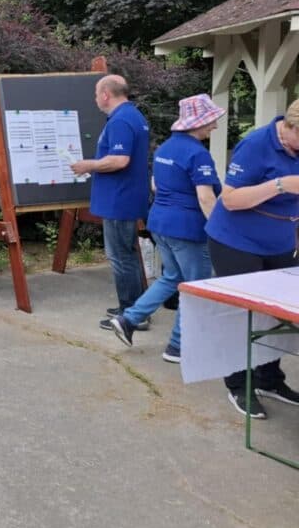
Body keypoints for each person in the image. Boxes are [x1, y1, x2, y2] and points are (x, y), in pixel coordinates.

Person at [107, 94, 225, 362]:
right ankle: (177, 347)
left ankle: (128, 319)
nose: (215, 126)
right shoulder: (198, 154)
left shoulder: (164, 149)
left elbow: (155, 186)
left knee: (172, 276)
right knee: (195, 287)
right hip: (188, 229)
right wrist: (221, 231)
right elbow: (205, 197)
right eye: (211, 121)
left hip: (160, 223)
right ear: (197, 122)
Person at [202, 97, 299, 419]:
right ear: (290, 128)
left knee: (278, 314)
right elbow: (230, 200)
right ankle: (238, 384)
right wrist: (280, 185)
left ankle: (269, 378)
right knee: (241, 315)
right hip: (236, 241)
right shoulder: (256, 145)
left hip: (281, 241)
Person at [70, 75, 150, 326]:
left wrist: (88, 165)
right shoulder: (133, 116)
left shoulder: (121, 120)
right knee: (127, 254)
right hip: (126, 197)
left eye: (96, 94)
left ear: (106, 94)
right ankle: (135, 309)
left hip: (119, 199)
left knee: (121, 257)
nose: (95, 99)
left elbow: (119, 160)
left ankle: (132, 316)